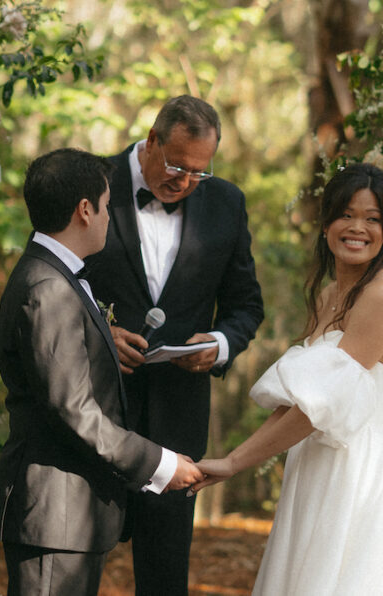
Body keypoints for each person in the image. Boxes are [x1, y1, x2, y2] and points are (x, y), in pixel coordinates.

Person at [193, 163, 383, 594]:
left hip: (358, 475)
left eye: (373, 218)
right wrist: (234, 457)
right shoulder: (328, 295)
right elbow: (301, 400)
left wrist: (234, 464)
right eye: (347, 214)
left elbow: (322, 408)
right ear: (326, 225)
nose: (358, 227)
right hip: (321, 464)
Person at [0, 148, 204, 596]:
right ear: (84, 210)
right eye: (107, 206)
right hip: (52, 513)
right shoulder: (48, 288)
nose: (109, 217)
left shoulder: (56, 277)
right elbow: (74, 412)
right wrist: (159, 464)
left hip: (70, 514)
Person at [84, 95, 264, 595]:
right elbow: (51, 279)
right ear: (151, 140)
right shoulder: (91, 181)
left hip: (176, 423)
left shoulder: (227, 202)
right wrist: (100, 331)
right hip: (94, 412)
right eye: (175, 165)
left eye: (198, 172)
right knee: (71, 568)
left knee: (164, 580)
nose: (183, 181)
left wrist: (221, 344)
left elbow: (246, 306)